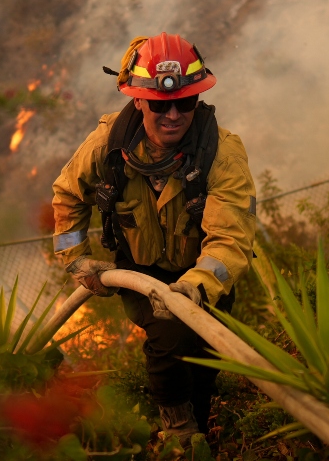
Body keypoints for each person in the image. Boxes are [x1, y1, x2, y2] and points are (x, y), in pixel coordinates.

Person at [50, 33, 256, 444]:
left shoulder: (222, 154)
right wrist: (74, 259)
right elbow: (68, 193)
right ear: (139, 100)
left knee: (202, 364)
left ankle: (200, 425)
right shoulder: (109, 144)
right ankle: (180, 435)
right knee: (169, 341)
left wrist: (196, 286)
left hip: (203, 281)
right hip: (140, 273)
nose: (174, 114)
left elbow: (230, 240)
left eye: (186, 102)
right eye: (161, 104)